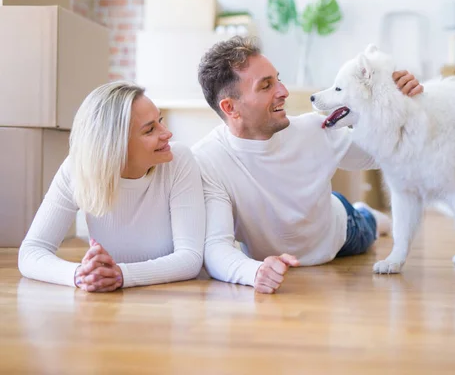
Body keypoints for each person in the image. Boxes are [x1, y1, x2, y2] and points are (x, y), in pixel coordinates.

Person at [191, 36, 423, 294]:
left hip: (340, 230)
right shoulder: (208, 159)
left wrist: (401, 103)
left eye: (277, 78)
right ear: (230, 107)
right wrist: (254, 272)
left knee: (367, 225)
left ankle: (367, 213)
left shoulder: (314, 129)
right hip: (287, 246)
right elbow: (215, 247)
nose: (283, 91)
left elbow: (382, 153)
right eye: (267, 85)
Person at [18, 81, 206, 292]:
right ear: (115, 145)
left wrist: (120, 275)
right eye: (150, 129)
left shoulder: (178, 160)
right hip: (111, 305)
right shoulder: (78, 167)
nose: (167, 134)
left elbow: (190, 258)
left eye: (160, 121)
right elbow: (32, 251)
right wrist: (79, 275)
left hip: (174, 300)